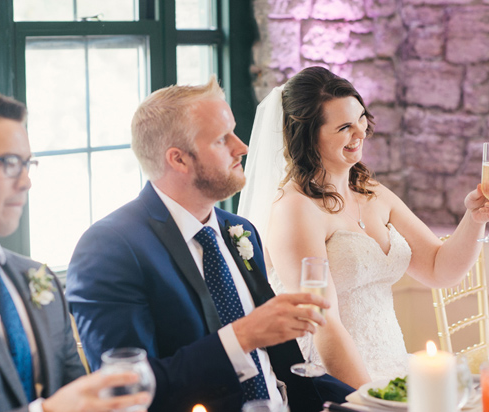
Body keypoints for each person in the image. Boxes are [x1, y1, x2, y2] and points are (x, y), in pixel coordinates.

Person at [65, 77, 354, 412]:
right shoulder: (110, 248)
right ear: (178, 160)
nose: (242, 146)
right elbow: (125, 389)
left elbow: (284, 368)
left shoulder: (239, 230)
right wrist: (243, 335)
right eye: (221, 140)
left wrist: (371, 401)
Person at [238, 66, 489, 387]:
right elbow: (324, 323)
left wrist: (474, 219)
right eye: (344, 127)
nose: (360, 133)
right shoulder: (295, 209)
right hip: (337, 379)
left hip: (394, 370)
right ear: (308, 137)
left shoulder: (373, 192)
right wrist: (367, 399)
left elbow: (441, 269)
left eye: (361, 119)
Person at [0, 88, 149, 412]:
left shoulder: (37, 277)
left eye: (27, 163)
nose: (25, 182)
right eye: (8, 163)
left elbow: (77, 396)